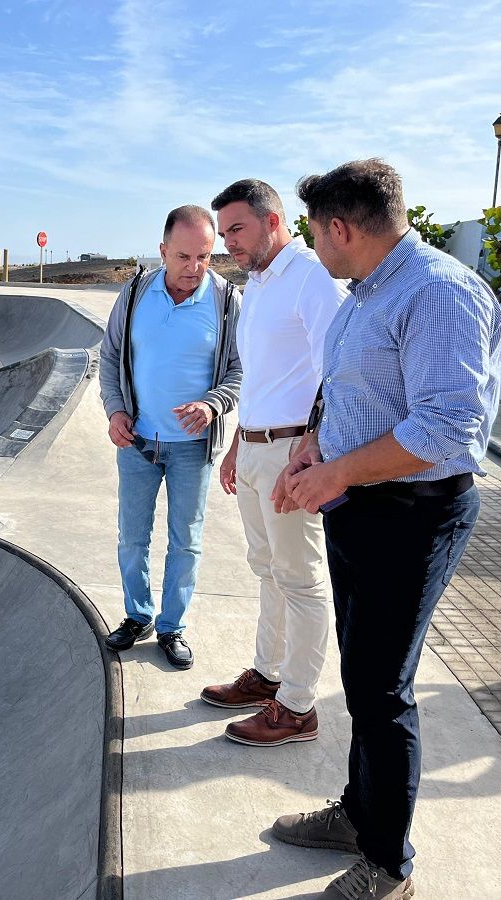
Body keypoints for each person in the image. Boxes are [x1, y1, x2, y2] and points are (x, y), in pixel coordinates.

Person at [269, 159, 501, 900]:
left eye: (314, 233)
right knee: (362, 676)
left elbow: (445, 425)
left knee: (382, 689)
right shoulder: (367, 292)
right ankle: (358, 814)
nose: (314, 246)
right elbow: (348, 388)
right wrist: (315, 441)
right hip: (361, 507)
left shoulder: (437, 291)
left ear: (340, 228)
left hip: (414, 513)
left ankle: (389, 864)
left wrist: (336, 473)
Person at [201, 179, 348, 745]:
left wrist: (309, 450)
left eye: (236, 229)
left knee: (302, 580)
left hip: (293, 452)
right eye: (224, 232)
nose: (227, 243)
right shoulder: (258, 285)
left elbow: (337, 374)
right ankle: (268, 675)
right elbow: (263, 376)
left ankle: (299, 706)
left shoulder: (312, 278)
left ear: (273, 220)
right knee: (267, 570)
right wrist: (239, 442)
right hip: (258, 444)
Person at [98, 205, 242, 669]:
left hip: (192, 449)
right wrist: (115, 409)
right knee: (132, 538)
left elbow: (239, 370)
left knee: (186, 540)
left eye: (204, 256)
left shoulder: (225, 301)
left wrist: (212, 404)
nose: (194, 268)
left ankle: (171, 626)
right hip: (138, 442)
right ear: (163, 251)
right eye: (183, 256)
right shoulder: (136, 292)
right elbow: (110, 356)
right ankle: (137, 615)